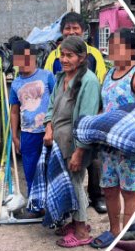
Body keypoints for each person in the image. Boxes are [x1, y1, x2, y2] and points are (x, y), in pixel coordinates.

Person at [90, 29, 135, 249]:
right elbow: (104, 108)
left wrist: (125, 136)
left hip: (129, 146)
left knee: (129, 191)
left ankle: (125, 239)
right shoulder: (109, 74)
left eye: (118, 46)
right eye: (111, 46)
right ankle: (113, 230)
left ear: (131, 50)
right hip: (109, 147)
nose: (112, 51)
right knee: (109, 189)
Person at [44, 12, 108, 214]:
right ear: (61, 32)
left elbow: (99, 86)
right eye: (67, 28)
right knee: (69, 174)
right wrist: (49, 123)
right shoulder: (54, 58)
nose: (71, 32)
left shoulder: (93, 57)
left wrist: (96, 116)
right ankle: (69, 212)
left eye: (75, 28)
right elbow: (51, 88)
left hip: (89, 118)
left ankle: (96, 197)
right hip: (62, 127)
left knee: (91, 161)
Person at [43, 36, 101, 247]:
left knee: (76, 182)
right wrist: (49, 126)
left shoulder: (89, 82)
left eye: (70, 55)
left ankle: (81, 231)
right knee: (66, 183)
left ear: (82, 57)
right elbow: (51, 106)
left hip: (76, 144)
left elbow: (86, 121)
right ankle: (75, 221)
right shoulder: (61, 78)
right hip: (59, 142)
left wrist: (79, 151)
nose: (64, 59)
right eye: (62, 55)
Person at [8, 39, 55, 196]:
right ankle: (35, 206)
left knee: (51, 170)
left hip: (48, 131)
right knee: (31, 171)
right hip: (28, 134)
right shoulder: (15, 84)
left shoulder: (47, 76)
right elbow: (14, 111)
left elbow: (57, 101)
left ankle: (52, 206)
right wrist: (15, 136)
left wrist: (54, 127)